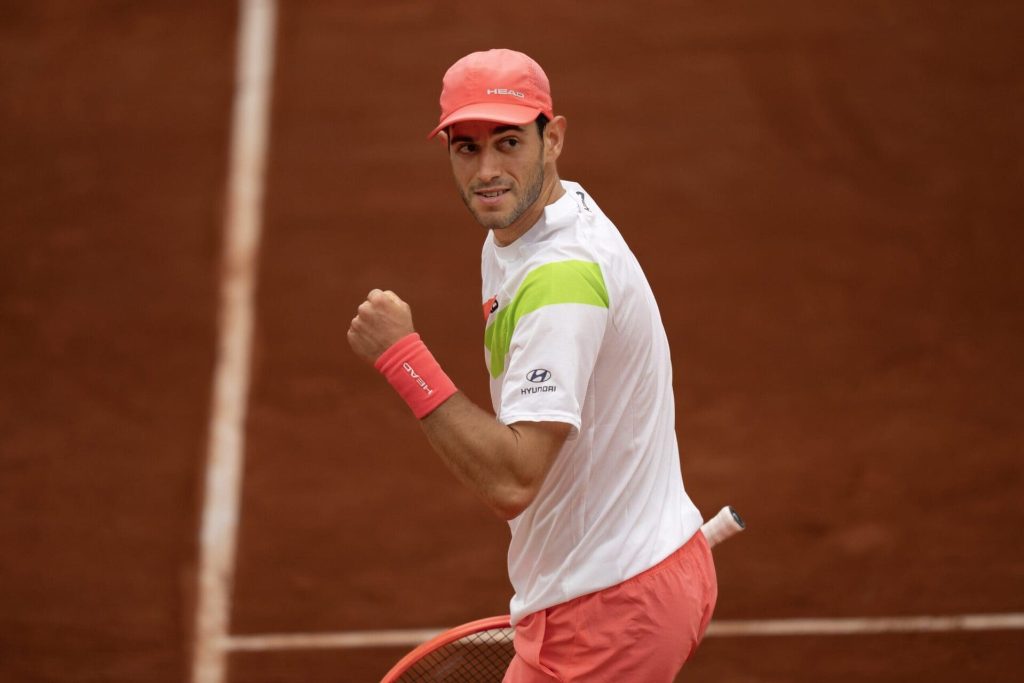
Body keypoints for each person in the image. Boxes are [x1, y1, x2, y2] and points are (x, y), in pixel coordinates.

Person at [348, 48, 717, 682]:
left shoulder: (559, 279)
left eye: (509, 142)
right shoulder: (526, 228)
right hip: (617, 583)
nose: (487, 170)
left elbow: (513, 480)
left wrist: (402, 357)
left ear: (554, 139)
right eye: (467, 148)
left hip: (609, 608)